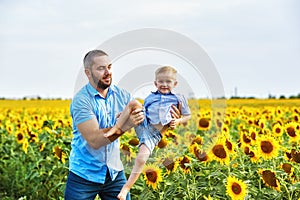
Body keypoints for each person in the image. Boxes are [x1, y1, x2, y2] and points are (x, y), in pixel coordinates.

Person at [64, 50, 181, 200]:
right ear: (88, 73)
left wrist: (167, 123)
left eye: (110, 67)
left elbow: (148, 131)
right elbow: (95, 140)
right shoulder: (82, 101)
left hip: (114, 173)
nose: (108, 72)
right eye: (101, 68)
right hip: (84, 174)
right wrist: (126, 125)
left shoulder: (123, 96)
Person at [104, 66, 191, 200]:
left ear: (175, 84)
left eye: (168, 81)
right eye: (161, 81)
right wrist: (125, 114)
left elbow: (187, 116)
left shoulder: (179, 99)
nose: (164, 84)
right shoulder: (151, 97)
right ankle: (116, 127)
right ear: (155, 83)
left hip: (153, 135)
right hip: (144, 123)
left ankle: (126, 187)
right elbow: (143, 110)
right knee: (133, 103)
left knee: (141, 158)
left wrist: (178, 121)